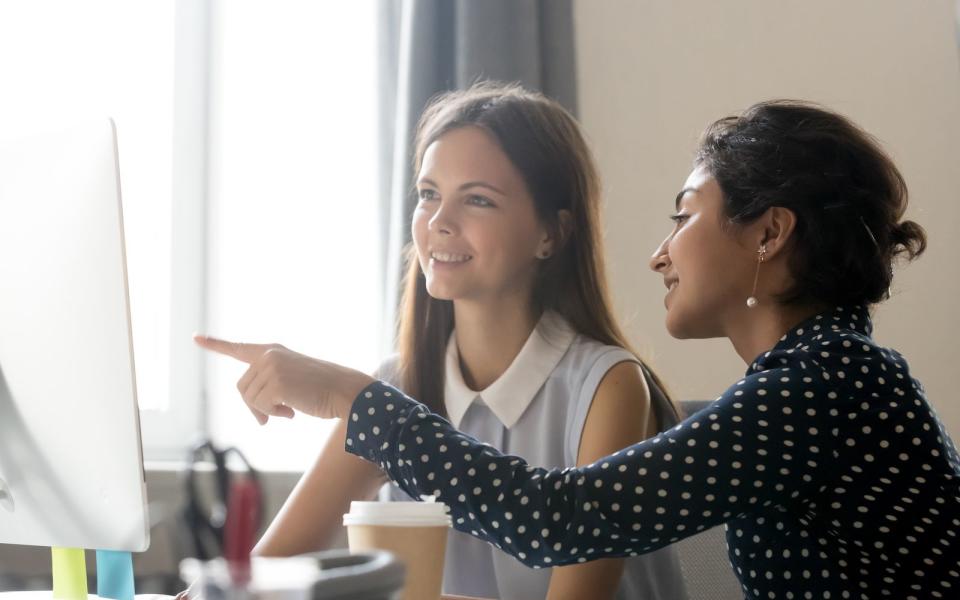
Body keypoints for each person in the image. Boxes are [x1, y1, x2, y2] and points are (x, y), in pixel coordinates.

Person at [199, 99, 960, 599]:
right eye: (429, 194)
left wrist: (354, 400)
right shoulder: (822, 380)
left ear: (768, 233)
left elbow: (560, 518)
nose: (662, 254)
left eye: (685, 216)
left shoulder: (825, 388)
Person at [197, 82, 686, 600]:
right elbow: (259, 579)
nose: (438, 223)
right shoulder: (398, 386)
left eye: (477, 199)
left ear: (552, 233)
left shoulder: (608, 386)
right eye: (429, 194)